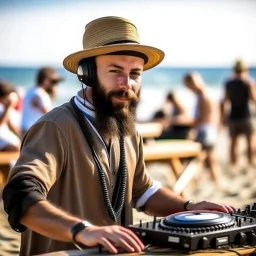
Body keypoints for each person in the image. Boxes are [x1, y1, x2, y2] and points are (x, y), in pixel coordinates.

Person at [2, 16, 235, 256]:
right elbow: (20, 195)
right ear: (87, 74)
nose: (127, 84)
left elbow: (142, 191)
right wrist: (82, 230)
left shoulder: (128, 128)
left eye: (135, 73)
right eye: (115, 71)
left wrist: (189, 207)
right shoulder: (55, 126)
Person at [183, 72, 220, 184]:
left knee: (197, 160)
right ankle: (216, 181)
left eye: (188, 86)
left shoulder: (202, 96)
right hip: (212, 129)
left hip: (205, 131)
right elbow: (217, 113)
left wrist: (192, 128)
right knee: (210, 158)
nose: (189, 89)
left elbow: (201, 117)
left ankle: (190, 182)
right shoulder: (209, 93)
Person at [221, 60, 256, 168]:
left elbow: (224, 101)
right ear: (245, 70)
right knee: (250, 142)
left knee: (233, 143)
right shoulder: (248, 82)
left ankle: (234, 164)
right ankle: (250, 162)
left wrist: (223, 116)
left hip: (233, 116)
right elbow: (253, 99)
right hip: (246, 115)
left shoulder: (229, 83)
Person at [21, 66, 64, 135]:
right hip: (34, 132)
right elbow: (50, 115)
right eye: (54, 82)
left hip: (27, 130)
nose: (56, 85)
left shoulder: (31, 90)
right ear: (46, 81)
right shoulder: (40, 94)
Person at [0, 80, 21, 151]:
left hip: (4, 133)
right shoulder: (4, 107)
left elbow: (10, 125)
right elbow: (1, 124)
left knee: (18, 144)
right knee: (16, 146)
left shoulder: (4, 108)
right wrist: (9, 106)